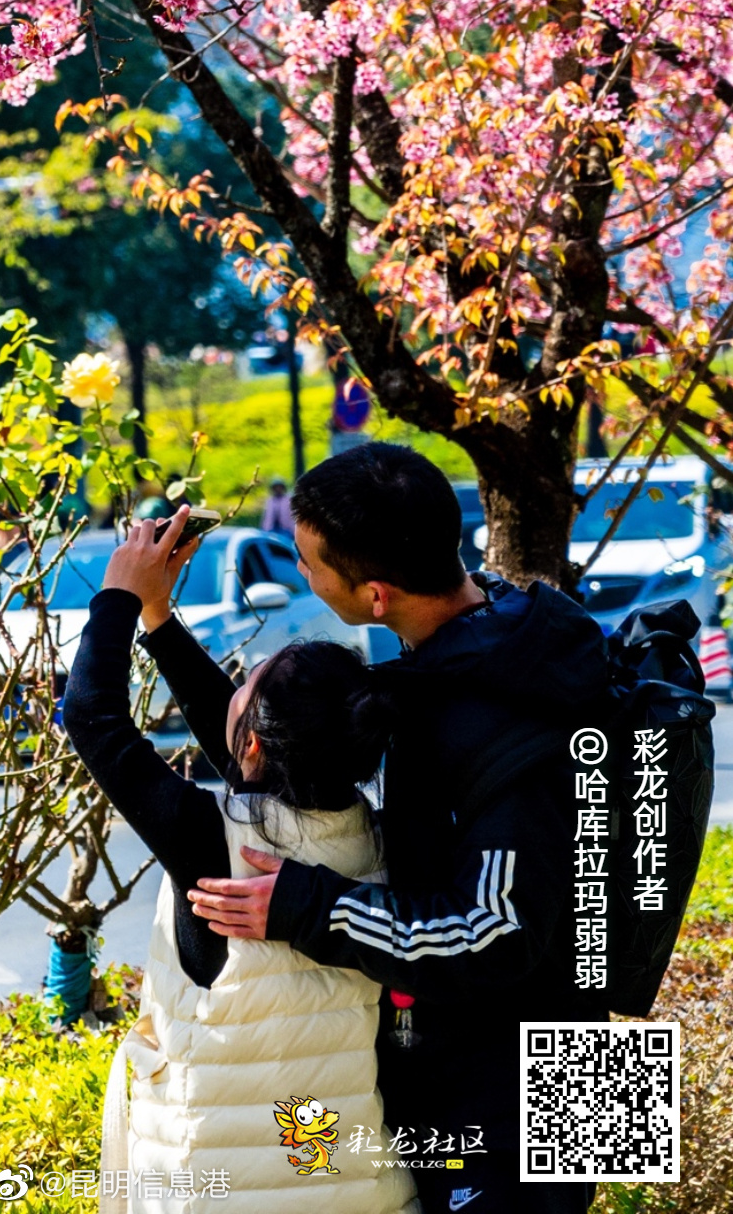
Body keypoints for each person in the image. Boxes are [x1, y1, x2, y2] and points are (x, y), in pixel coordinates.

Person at [188, 445, 609, 1214]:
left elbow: (496, 934)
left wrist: (306, 907)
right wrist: (158, 621)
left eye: (311, 562)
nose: (302, 574)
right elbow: (275, 737)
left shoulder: (501, 716)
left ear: (375, 594)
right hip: (538, 1045)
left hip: (535, 1072)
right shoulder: (495, 641)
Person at [63, 507, 418, 1213]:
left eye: (246, 684)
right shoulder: (369, 835)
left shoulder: (215, 840)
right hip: (357, 1192)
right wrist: (159, 622)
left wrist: (118, 596)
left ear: (251, 743)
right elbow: (252, 745)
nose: (234, 691)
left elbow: (89, 715)